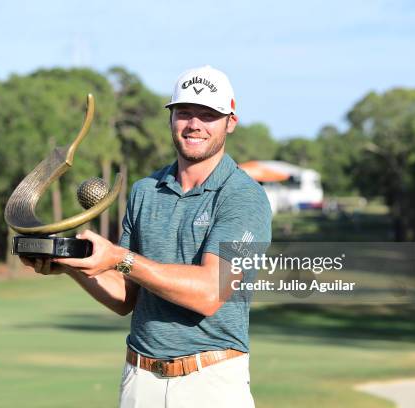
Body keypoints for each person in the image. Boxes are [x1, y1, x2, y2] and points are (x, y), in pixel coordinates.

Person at [22, 65, 271, 408]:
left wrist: (119, 259)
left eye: (208, 115)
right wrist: (72, 265)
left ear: (230, 122)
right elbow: (126, 297)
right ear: (170, 119)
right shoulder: (144, 192)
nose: (194, 124)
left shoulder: (245, 197)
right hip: (140, 381)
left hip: (210, 382)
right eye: (184, 112)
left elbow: (209, 293)